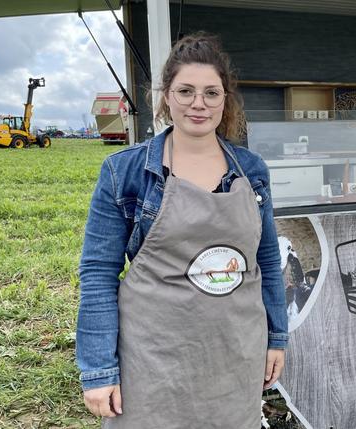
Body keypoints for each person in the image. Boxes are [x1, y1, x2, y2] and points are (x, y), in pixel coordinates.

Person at [76, 32, 288, 428]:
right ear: (166, 96)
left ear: (225, 100)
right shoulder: (125, 172)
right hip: (153, 355)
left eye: (211, 93)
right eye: (186, 90)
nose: (198, 103)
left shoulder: (252, 170)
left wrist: (276, 337)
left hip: (234, 348)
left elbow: (268, 261)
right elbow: (98, 274)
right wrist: (99, 369)